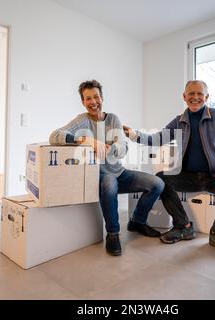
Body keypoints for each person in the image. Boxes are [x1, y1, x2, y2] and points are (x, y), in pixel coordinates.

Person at [123, 80, 215, 258]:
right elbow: (158, 139)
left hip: (214, 176)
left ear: (206, 97)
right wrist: (134, 134)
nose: (195, 97)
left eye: (200, 94)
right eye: (191, 94)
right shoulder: (179, 121)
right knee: (161, 179)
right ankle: (183, 226)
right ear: (184, 97)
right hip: (187, 176)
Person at [50, 80, 165, 256]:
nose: (93, 101)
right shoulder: (82, 121)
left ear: (102, 98)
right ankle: (113, 233)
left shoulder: (113, 119)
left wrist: (111, 147)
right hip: (101, 175)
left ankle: (137, 221)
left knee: (157, 183)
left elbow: (124, 148)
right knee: (109, 184)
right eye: (88, 98)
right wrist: (85, 140)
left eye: (96, 96)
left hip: (120, 172)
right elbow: (55, 136)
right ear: (83, 102)